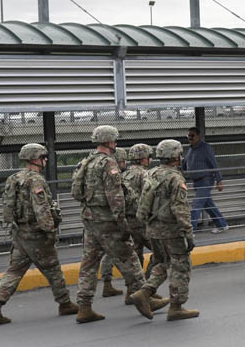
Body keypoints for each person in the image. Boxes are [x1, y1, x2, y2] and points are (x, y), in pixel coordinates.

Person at [72, 125, 161, 323]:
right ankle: (145, 298)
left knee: (89, 262)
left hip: (89, 219)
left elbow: (75, 193)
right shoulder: (108, 164)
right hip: (107, 221)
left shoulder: (85, 162)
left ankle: (84, 307)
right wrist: (122, 224)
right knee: (129, 257)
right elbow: (116, 198)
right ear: (110, 141)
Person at [0, 143, 78, 324]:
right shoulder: (36, 180)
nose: (46, 160)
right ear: (36, 159)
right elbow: (41, 208)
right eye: (44, 157)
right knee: (53, 269)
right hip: (36, 234)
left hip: (20, 232)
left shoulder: (14, 178)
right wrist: (50, 231)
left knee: (14, 271)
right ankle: (65, 304)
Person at [131, 139, 199, 321]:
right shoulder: (175, 178)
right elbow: (180, 208)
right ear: (176, 156)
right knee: (181, 265)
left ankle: (144, 292)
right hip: (171, 230)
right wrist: (188, 233)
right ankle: (176, 306)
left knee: (162, 262)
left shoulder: (151, 173)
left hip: (152, 228)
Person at [99, 143, 152, 296]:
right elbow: (148, 197)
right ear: (143, 159)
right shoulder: (145, 174)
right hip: (141, 221)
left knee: (135, 256)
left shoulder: (124, 175)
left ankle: (132, 291)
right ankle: (147, 285)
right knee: (162, 253)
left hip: (127, 221)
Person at [183, 126, 228, 234]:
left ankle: (190, 231)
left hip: (205, 180)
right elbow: (185, 164)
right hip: (196, 182)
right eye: (188, 136)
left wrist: (219, 180)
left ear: (198, 136)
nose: (190, 138)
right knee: (208, 205)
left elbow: (214, 164)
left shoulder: (205, 148)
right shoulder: (190, 149)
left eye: (192, 135)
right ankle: (222, 225)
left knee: (196, 205)